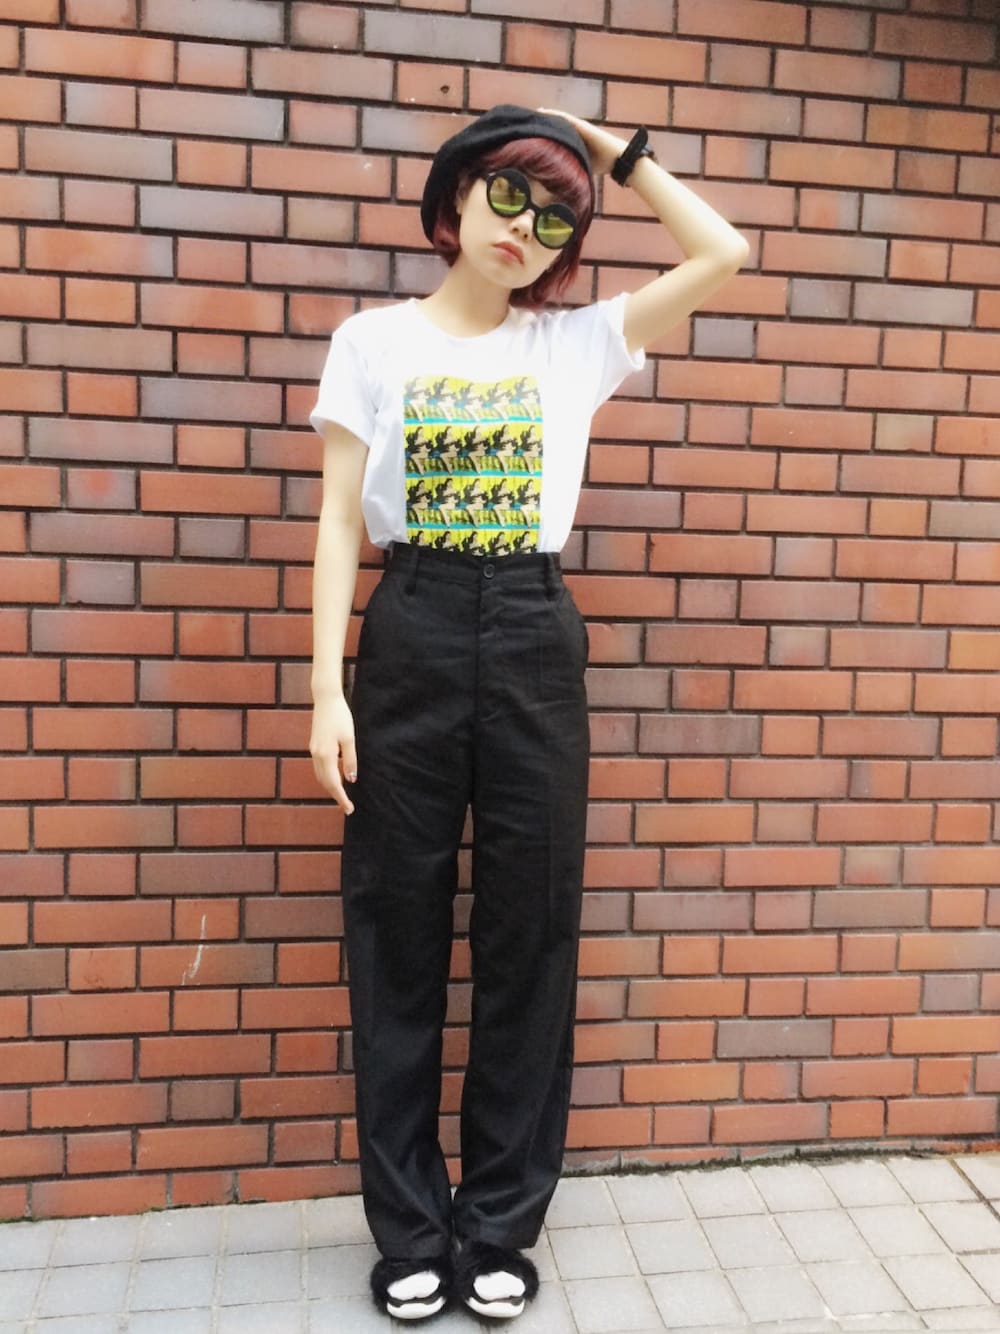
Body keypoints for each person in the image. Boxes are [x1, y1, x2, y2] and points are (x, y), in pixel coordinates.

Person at [308, 104, 749, 1322]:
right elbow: (340, 517)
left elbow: (723, 252)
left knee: (529, 928)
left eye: (555, 218)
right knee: (395, 929)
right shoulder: (371, 342)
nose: (525, 229)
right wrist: (324, 687)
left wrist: (615, 155)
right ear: (455, 199)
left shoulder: (576, 343)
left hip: (533, 635)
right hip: (411, 623)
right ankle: (409, 1228)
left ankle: (498, 1222)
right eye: (508, 195)